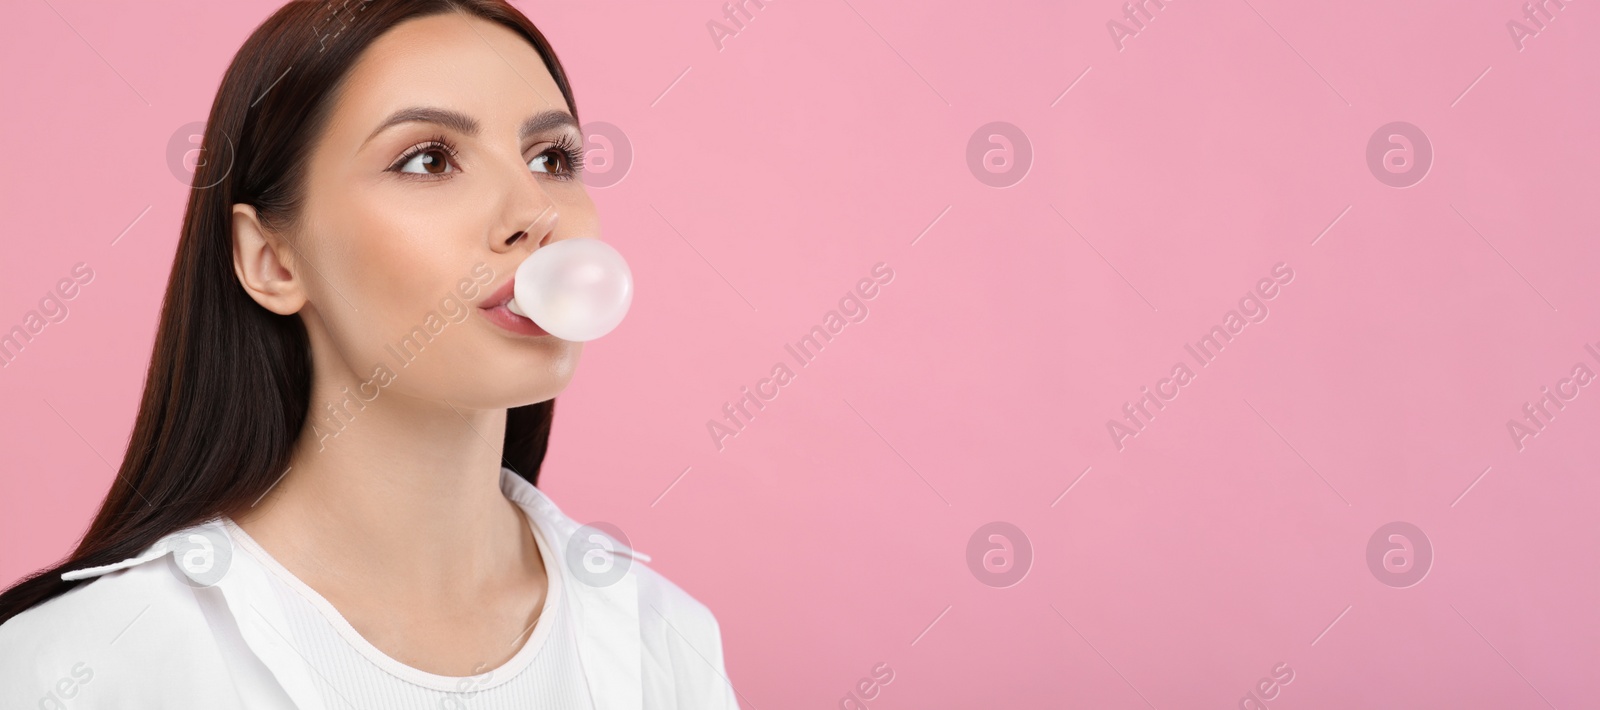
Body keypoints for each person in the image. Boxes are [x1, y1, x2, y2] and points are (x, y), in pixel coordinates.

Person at [0, 1, 739, 707]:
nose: (535, 214)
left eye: (552, 158)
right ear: (272, 261)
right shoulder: (80, 664)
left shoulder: (664, 643)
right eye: (427, 161)